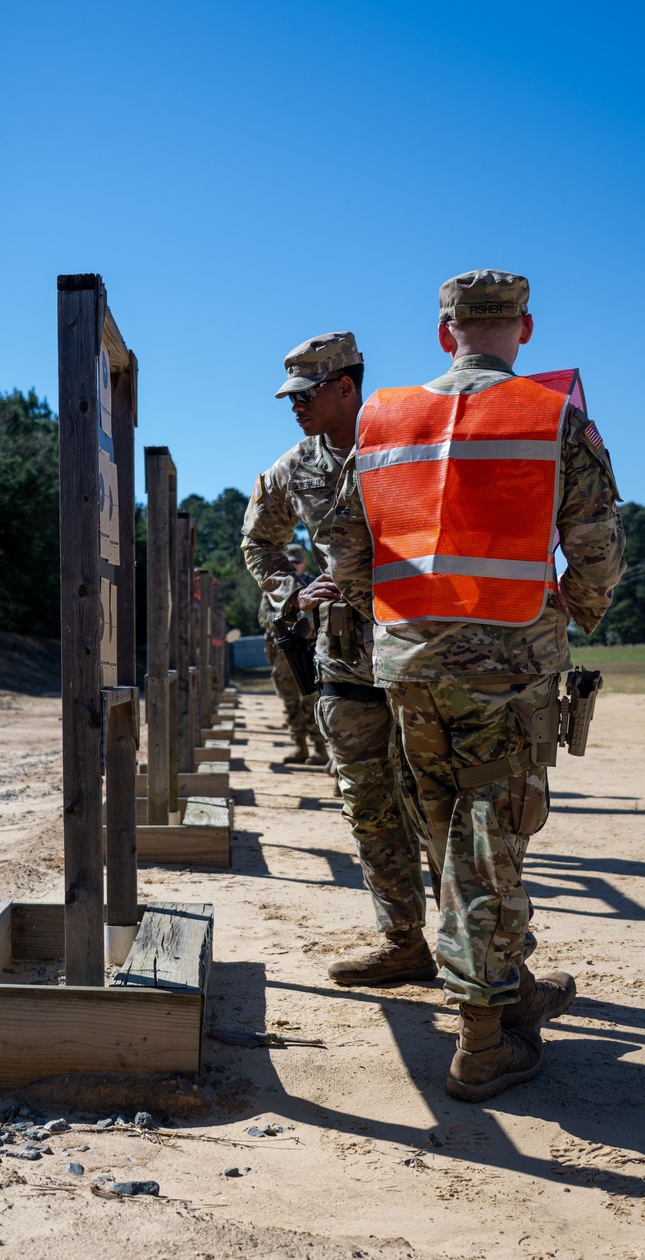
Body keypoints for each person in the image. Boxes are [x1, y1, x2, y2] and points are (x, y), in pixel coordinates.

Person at [327, 270, 625, 1100]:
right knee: (493, 841)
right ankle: (485, 1037)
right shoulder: (551, 414)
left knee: (446, 830)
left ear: (443, 333)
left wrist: (396, 619)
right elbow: (596, 543)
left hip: (411, 668)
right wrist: (578, 610)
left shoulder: (383, 417)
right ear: (523, 330)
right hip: (511, 666)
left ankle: (510, 983)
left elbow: (347, 551)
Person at [242, 333, 433, 984]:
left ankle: (485, 965)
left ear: (346, 386)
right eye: (290, 395)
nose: (294, 406)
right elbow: (258, 542)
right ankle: (403, 943)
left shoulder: (414, 447)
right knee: (369, 809)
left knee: (442, 810)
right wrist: (291, 593)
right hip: (346, 664)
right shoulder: (293, 468)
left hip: (424, 658)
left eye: (306, 393)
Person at [259, 544, 330, 765]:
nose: (293, 566)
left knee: (311, 702)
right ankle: (299, 747)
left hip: (307, 653)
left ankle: (320, 749)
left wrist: (305, 619)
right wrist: (287, 614)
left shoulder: (314, 584)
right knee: (290, 704)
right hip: (281, 658)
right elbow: (264, 616)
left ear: (304, 563)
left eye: (296, 562)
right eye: (288, 562)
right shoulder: (274, 589)